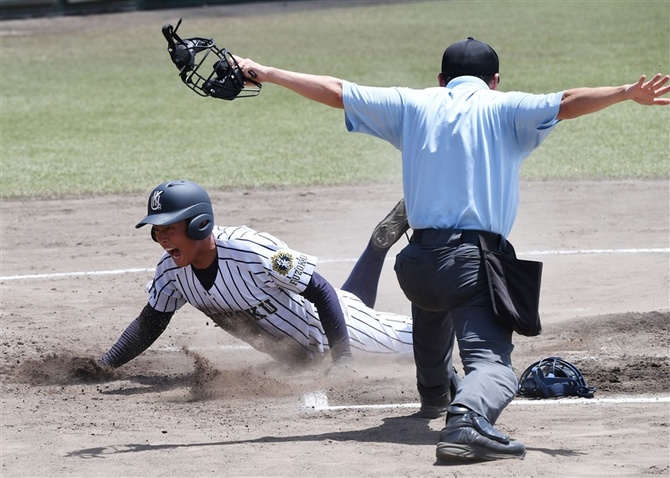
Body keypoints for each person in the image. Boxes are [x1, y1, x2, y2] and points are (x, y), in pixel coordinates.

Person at [233, 38, 670, 462]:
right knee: (494, 368)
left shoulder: (412, 103)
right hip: (469, 265)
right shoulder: (506, 106)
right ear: (494, 80)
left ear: (442, 79)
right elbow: (569, 101)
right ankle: (467, 421)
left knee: (432, 309)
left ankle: (436, 397)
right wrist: (626, 93)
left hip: (417, 266)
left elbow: (335, 91)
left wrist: (266, 72)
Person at [99, 179, 424, 375]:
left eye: (170, 227)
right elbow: (150, 321)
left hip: (339, 333)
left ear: (199, 224)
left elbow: (321, 290)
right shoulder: (171, 272)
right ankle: (377, 246)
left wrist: (343, 360)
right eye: (157, 231)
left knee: (427, 340)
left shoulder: (252, 251)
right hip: (302, 354)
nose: (163, 238)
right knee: (350, 302)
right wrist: (105, 365)